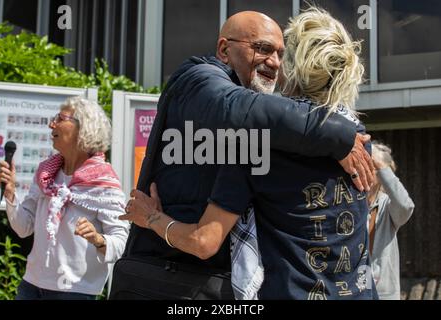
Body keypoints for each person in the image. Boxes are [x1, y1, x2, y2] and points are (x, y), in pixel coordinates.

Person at [115, 10, 375, 300]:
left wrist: (151, 218)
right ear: (224, 49)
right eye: (263, 49)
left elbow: (204, 241)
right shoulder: (357, 139)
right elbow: (236, 108)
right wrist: (338, 134)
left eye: (281, 54)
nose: (274, 62)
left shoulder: (264, 142)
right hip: (176, 277)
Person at [0, 97, 129, 300]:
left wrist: (98, 239)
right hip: (31, 286)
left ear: (83, 128)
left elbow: (121, 242)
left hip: (76, 291)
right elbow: (23, 228)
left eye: (60, 118)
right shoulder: (46, 174)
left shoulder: (104, 181)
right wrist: (10, 192)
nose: (51, 124)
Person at [368, 141, 414, 300]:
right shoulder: (348, 204)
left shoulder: (387, 205)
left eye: (371, 166)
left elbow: (405, 206)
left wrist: (379, 163)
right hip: (350, 291)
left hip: (383, 294)